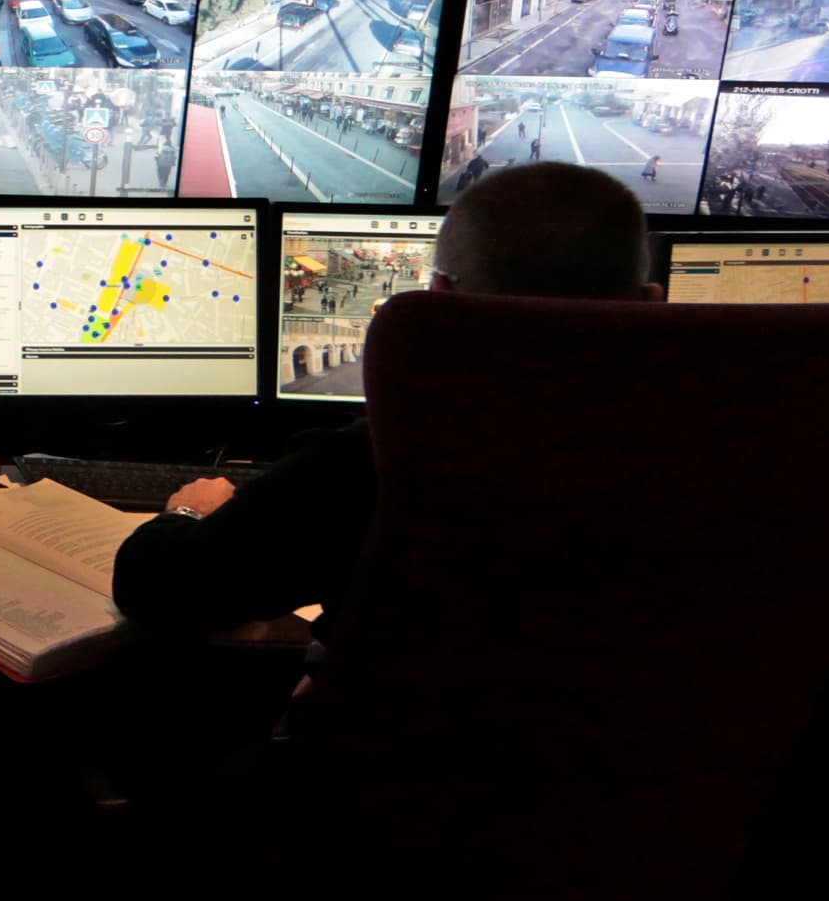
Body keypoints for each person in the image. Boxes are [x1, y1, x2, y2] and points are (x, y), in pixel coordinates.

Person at [110, 162, 661, 639]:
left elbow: (159, 590)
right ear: (651, 303)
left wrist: (189, 511)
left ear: (438, 297)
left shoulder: (381, 461)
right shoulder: (723, 457)